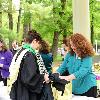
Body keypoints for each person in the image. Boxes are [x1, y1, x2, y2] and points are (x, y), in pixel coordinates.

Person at [9, 30, 49, 100]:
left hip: (18, 89)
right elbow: (29, 78)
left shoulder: (20, 51)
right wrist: (43, 78)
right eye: (38, 43)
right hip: (26, 93)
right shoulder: (29, 55)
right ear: (34, 41)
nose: (38, 46)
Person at [56, 33, 97, 98]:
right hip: (75, 88)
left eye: (74, 45)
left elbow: (83, 70)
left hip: (88, 87)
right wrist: (55, 75)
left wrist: (67, 77)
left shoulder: (87, 55)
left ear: (80, 44)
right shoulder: (69, 55)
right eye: (71, 45)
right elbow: (62, 67)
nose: (72, 47)